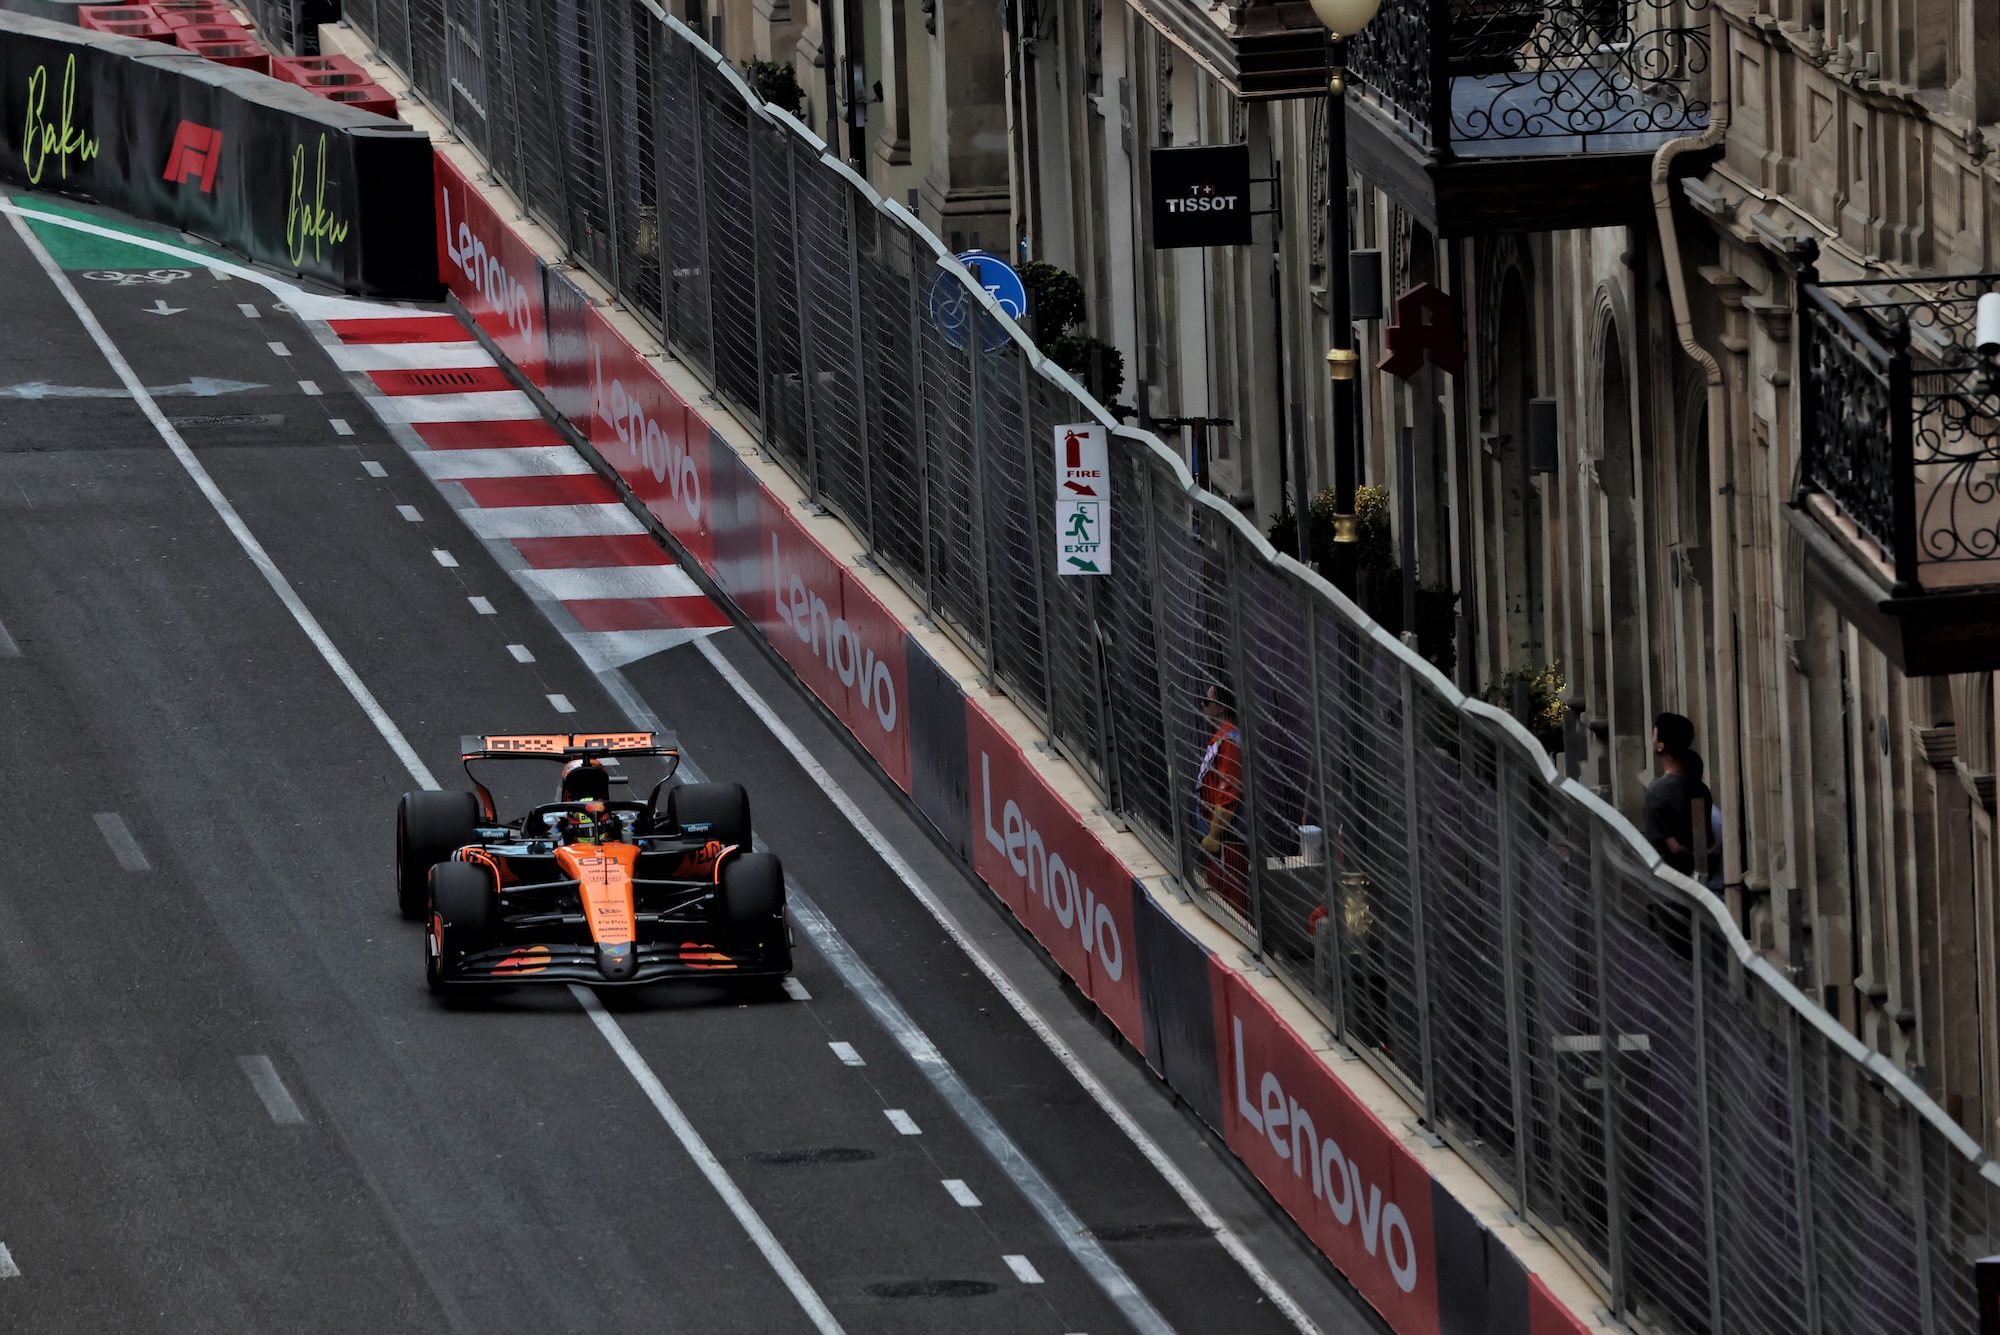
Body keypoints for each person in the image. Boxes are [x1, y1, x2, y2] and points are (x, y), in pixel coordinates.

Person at [1642, 712, 1716, 883]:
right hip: (1700, 881)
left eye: (1654, 736)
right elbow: (1708, 839)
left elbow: (1673, 848)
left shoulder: (1657, 792)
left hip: (1668, 882)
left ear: (1661, 746)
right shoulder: (1701, 788)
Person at [1196, 682, 1249, 916]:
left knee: (1230, 907)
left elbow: (1228, 794)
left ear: (1220, 707)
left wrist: (1214, 835)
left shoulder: (1229, 741)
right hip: (1218, 842)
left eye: (1206, 702)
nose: (1202, 705)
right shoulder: (1221, 739)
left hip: (1226, 843)